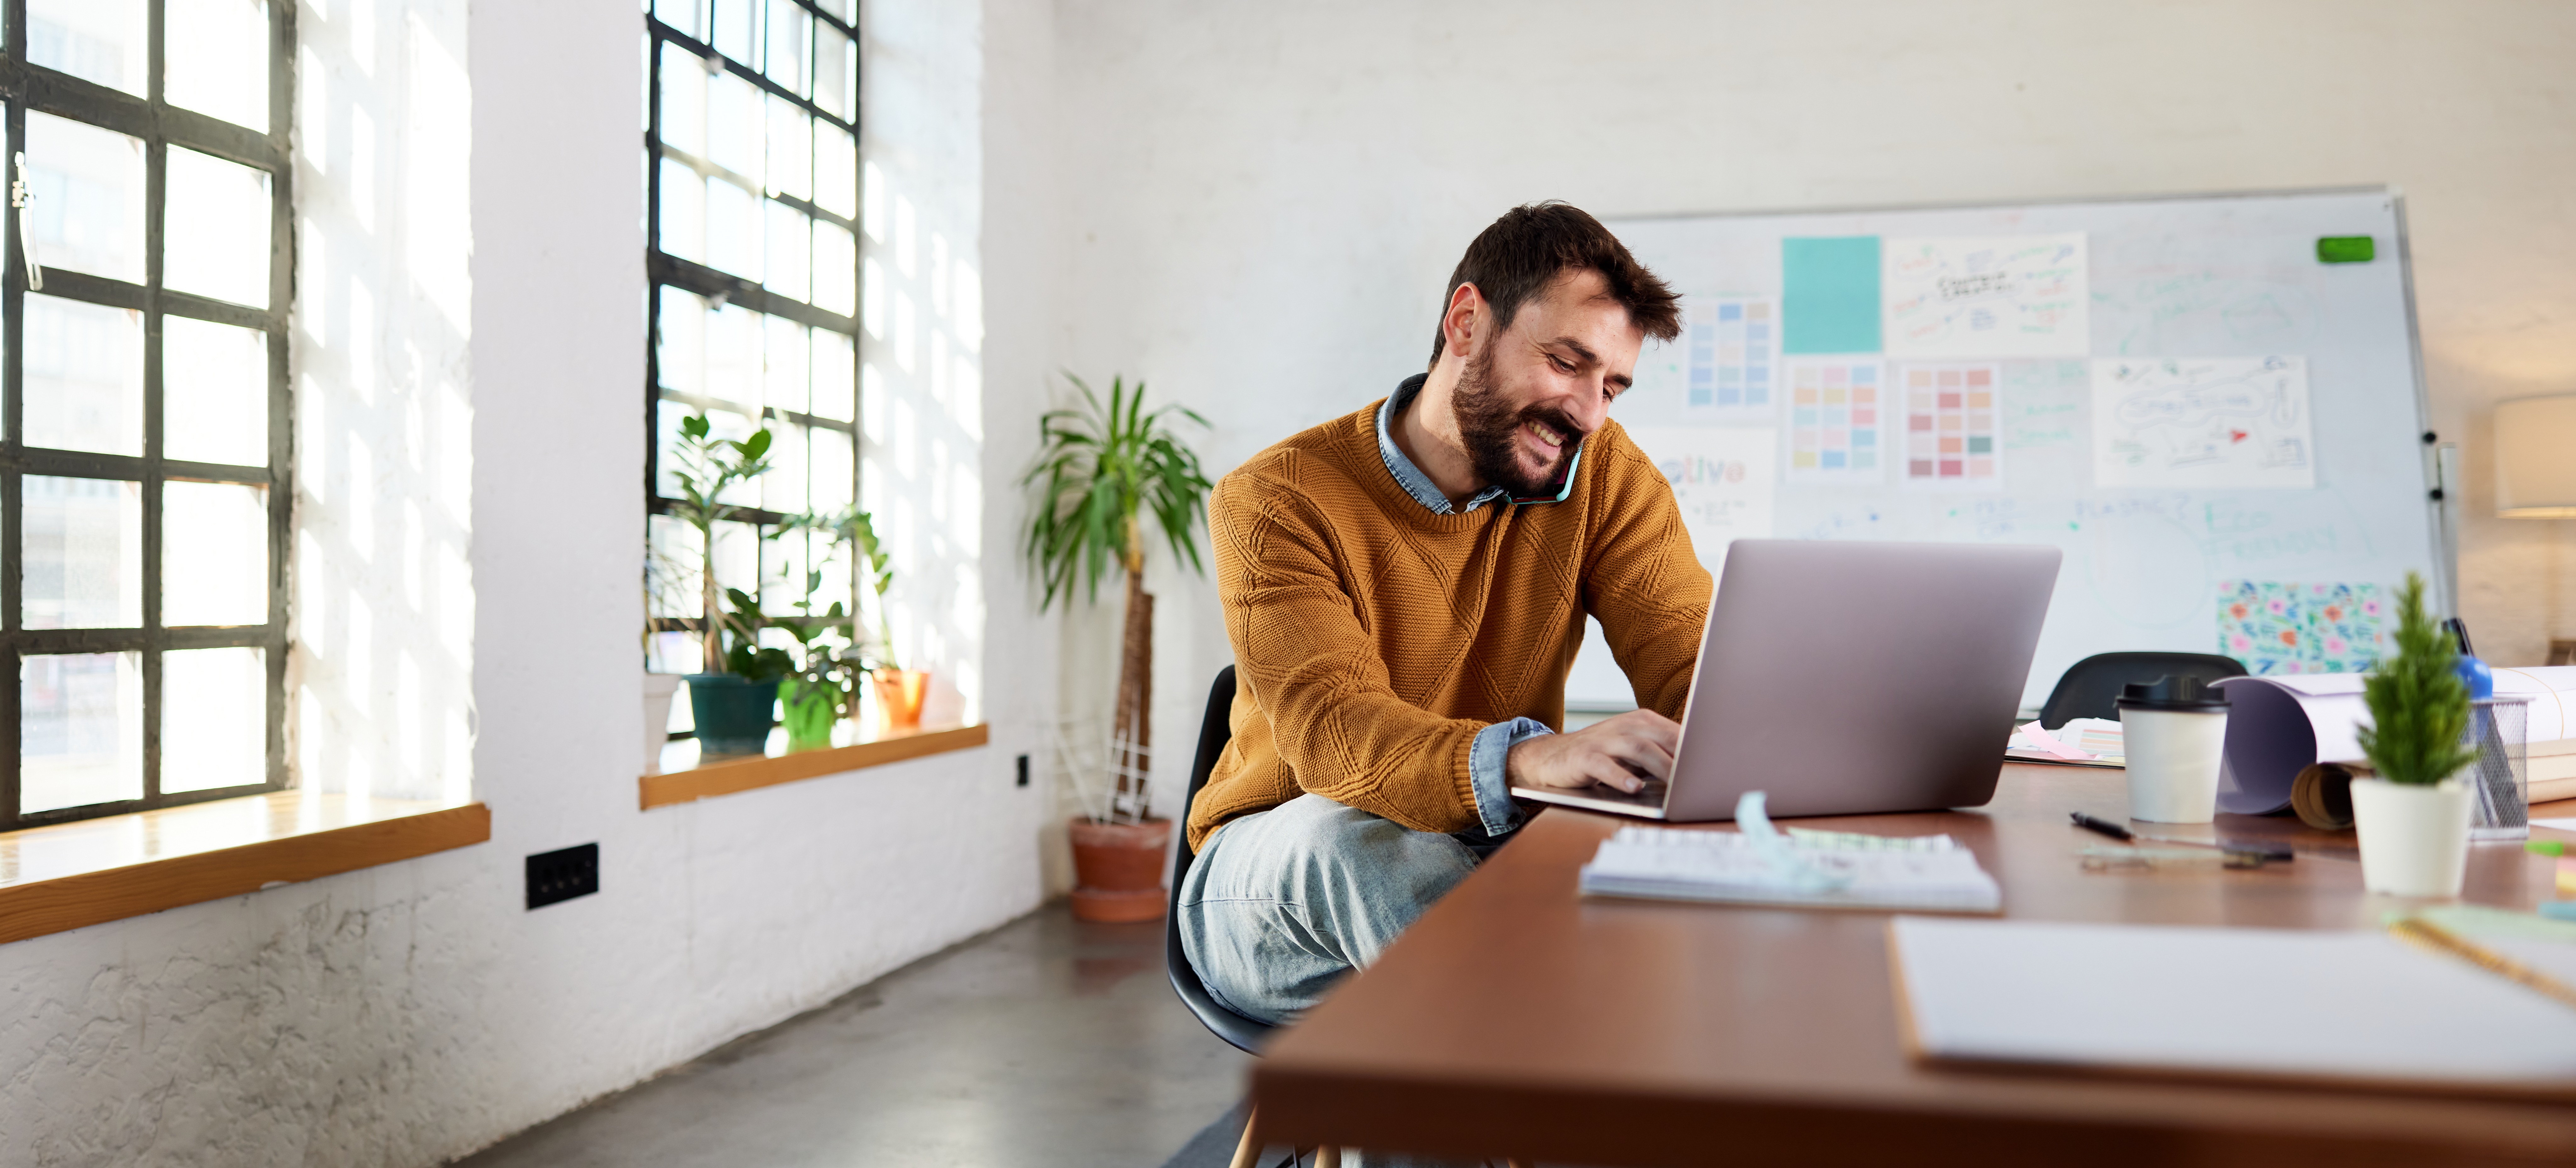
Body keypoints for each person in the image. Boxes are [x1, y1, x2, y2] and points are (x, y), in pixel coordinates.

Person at [1179, 202, 1713, 1026]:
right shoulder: (1278, 497)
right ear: (1467, 323)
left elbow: (1692, 665)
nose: (1589, 412)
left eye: (1612, 385)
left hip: (1480, 856)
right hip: (1271, 880)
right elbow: (1337, 739)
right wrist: (1529, 762)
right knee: (1358, 843)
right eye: (1568, 362)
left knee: (1635, 856)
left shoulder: (1607, 478)